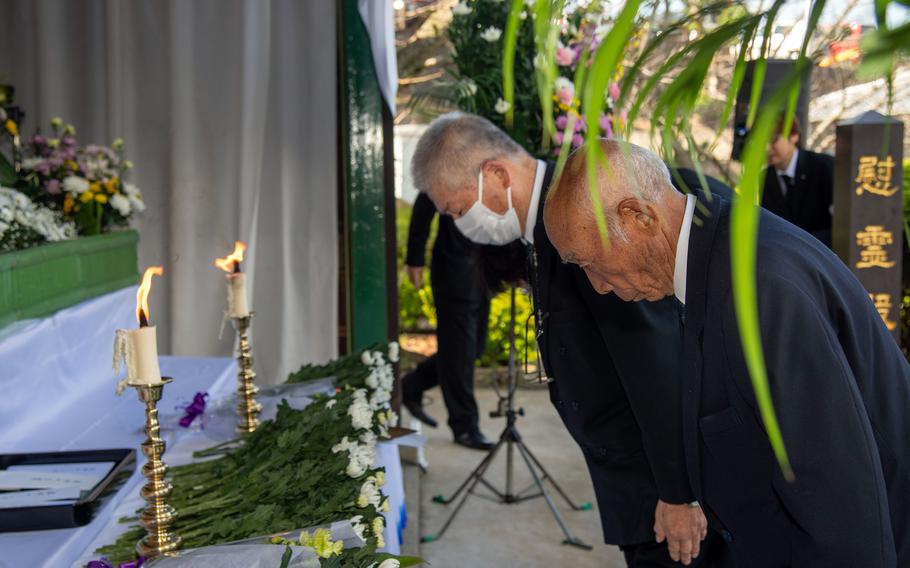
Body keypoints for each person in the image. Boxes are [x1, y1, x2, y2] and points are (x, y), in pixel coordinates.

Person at [545, 139, 910, 568]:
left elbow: (839, 495)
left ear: (638, 216)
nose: (597, 286)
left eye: (590, 263)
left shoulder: (759, 288)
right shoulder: (717, 247)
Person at [411, 112, 733, 567]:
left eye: (458, 210)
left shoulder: (580, 213)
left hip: (659, 482)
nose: (461, 225)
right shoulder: (544, 223)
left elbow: (654, 356)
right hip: (635, 477)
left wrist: (680, 493)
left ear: (496, 175)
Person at [401, 192, 495, 451]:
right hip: (454, 270)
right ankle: (464, 426)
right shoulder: (453, 159)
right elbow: (425, 201)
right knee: (461, 354)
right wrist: (415, 258)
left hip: (484, 273)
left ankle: (411, 385)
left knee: (473, 348)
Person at [762, 115, 834, 245]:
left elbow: (840, 225)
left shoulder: (823, 166)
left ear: (794, 136)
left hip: (822, 254)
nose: (766, 148)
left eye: (773, 140)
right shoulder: (763, 178)